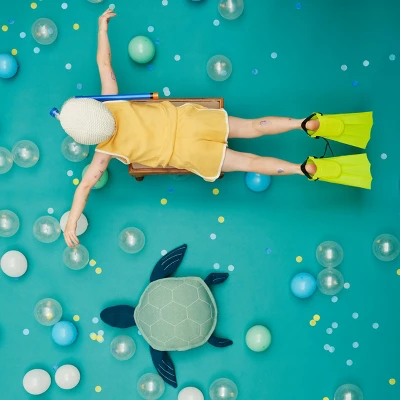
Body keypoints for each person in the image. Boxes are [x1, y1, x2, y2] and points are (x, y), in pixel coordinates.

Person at [59, 8, 373, 247]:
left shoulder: (103, 153)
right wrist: (102, 28)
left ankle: (303, 169)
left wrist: (72, 221)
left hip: (191, 153)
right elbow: (104, 63)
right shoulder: (112, 99)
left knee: (250, 163)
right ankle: (304, 123)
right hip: (194, 122)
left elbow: (85, 186)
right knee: (253, 127)